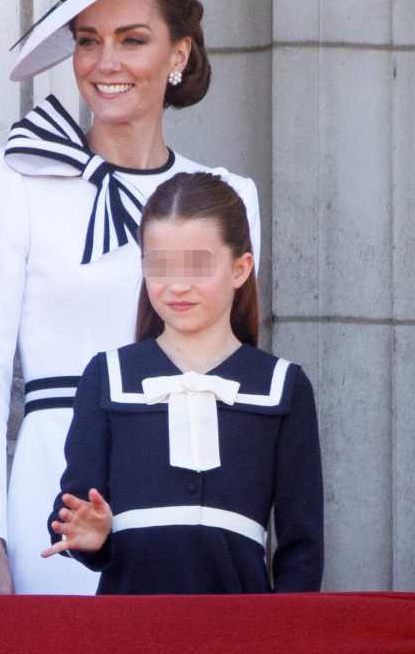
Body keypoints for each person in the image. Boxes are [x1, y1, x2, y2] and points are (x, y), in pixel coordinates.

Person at [0, 0, 263, 594]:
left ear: (179, 53)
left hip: (190, 492)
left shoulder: (229, 197)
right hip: (54, 489)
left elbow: (238, 383)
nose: (106, 63)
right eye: (88, 41)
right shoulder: (14, 176)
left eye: (133, 39)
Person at [43, 172, 323, 593]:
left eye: (197, 265)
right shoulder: (107, 375)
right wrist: (89, 535)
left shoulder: (284, 386)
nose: (177, 285)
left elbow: (301, 547)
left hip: (242, 628)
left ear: (240, 268)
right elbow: (74, 511)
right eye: (160, 265)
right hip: (127, 625)